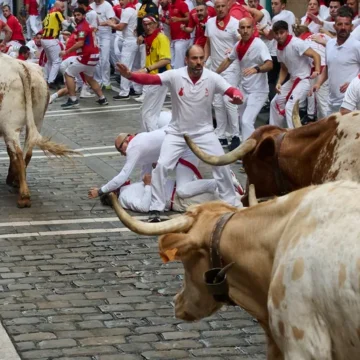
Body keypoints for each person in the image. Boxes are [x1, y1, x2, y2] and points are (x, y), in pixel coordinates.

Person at [117, 45, 243, 222]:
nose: (198, 62)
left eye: (201, 58)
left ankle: (232, 203)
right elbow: (151, 80)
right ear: (186, 60)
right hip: (176, 133)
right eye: (194, 58)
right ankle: (156, 208)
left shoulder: (212, 77)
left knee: (221, 163)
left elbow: (230, 90)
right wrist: (130, 76)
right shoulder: (175, 75)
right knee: (161, 167)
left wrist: (237, 96)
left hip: (204, 132)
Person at [87, 114, 204, 207]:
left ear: (127, 140)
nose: (122, 154)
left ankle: (217, 184)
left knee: (183, 190)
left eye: (120, 149)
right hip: (181, 145)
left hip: (185, 146)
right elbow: (146, 173)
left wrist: (100, 191)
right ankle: (211, 184)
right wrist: (142, 187)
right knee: (183, 188)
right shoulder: (141, 143)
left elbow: (122, 176)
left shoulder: (134, 146)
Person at [217, 17, 273, 141]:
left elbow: (270, 64)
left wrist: (256, 69)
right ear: (239, 30)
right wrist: (214, 74)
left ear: (253, 29)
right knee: (243, 121)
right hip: (245, 89)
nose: (245, 30)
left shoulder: (259, 44)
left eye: (248, 27)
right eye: (242, 28)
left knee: (246, 121)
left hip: (259, 91)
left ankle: (249, 153)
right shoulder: (238, 45)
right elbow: (228, 60)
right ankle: (251, 148)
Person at [269, 20, 321, 129]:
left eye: (281, 32)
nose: (279, 36)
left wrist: (317, 70)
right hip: (293, 79)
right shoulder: (278, 48)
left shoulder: (297, 43)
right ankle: (275, 131)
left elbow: (316, 55)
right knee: (275, 102)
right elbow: (283, 68)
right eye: (276, 33)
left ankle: (293, 138)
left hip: (305, 79)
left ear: (287, 32)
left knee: (290, 107)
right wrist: (279, 82)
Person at [204, 0, 241, 150]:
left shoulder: (235, 23)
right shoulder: (210, 23)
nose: (220, 9)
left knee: (228, 101)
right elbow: (208, 42)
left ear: (228, 7)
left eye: (222, 6)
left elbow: (243, 41)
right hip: (215, 68)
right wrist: (205, 59)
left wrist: (233, 50)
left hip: (231, 67)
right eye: (217, 7)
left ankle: (236, 135)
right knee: (217, 102)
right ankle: (221, 135)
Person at [311, 6, 360, 114]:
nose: (343, 27)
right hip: (331, 102)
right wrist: (318, 83)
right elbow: (328, 68)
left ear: (351, 26)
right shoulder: (329, 44)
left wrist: (354, 83)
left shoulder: (357, 46)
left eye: (347, 24)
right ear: (334, 26)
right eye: (340, 24)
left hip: (351, 104)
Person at [116, 172, 242, 213]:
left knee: (186, 189)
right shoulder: (123, 197)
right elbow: (143, 207)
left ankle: (226, 182)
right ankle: (231, 187)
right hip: (177, 200)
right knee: (216, 200)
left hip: (179, 189)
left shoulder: (130, 187)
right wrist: (148, 185)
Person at [59, 8, 108, 109]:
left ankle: (73, 99)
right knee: (89, 78)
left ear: (84, 15)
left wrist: (66, 51)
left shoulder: (82, 27)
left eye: (79, 15)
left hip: (86, 56)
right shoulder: (86, 25)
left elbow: (80, 43)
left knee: (68, 73)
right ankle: (102, 98)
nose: (77, 17)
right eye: (75, 15)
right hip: (93, 56)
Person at [138, 15, 171, 132]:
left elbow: (166, 60)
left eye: (150, 24)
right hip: (152, 79)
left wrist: (147, 69)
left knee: (149, 113)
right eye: (145, 25)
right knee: (147, 111)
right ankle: (146, 136)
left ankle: (151, 137)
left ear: (156, 24)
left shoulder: (161, 38)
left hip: (159, 79)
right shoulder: (150, 38)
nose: (148, 27)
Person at [108, 0, 140, 100]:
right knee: (135, 66)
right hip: (135, 40)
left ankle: (124, 92)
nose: (121, 1)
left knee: (125, 66)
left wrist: (111, 24)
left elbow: (121, 27)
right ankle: (136, 89)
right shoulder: (134, 9)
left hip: (129, 40)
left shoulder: (127, 10)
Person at [41, 1, 71, 88]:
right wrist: (72, 23)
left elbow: (45, 24)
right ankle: (51, 81)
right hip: (51, 40)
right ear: (57, 7)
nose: (63, 9)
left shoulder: (49, 13)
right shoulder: (57, 13)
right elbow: (66, 25)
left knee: (50, 61)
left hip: (45, 39)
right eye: (62, 7)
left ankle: (47, 79)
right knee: (57, 61)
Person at [90, 0, 115, 90]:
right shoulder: (91, 5)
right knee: (96, 59)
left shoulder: (107, 6)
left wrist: (99, 24)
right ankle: (98, 81)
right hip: (95, 35)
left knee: (104, 59)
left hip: (105, 35)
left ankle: (106, 81)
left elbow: (112, 20)